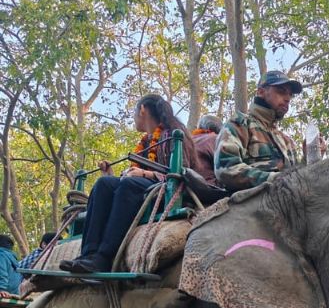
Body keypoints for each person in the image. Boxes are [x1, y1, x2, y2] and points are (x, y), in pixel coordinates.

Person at [60, 94, 198, 274]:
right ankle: (88, 254)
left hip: (163, 191)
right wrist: (111, 175)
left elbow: (182, 173)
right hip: (140, 187)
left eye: (134, 112)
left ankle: (104, 257)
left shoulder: (173, 132)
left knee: (129, 185)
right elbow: (133, 173)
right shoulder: (146, 142)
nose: (134, 116)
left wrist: (145, 173)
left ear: (142, 110)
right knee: (103, 184)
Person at [215, 70, 303, 191]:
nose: (288, 98)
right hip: (251, 204)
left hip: (289, 206)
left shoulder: (287, 141)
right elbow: (226, 169)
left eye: (290, 94)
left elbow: (299, 181)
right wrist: (276, 180)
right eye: (281, 91)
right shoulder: (241, 124)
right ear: (261, 92)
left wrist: (307, 159)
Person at [192, 114, 222, 186]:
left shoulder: (190, 139)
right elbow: (225, 164)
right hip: (207, 186)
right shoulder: (215, 138)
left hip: (185, 185)